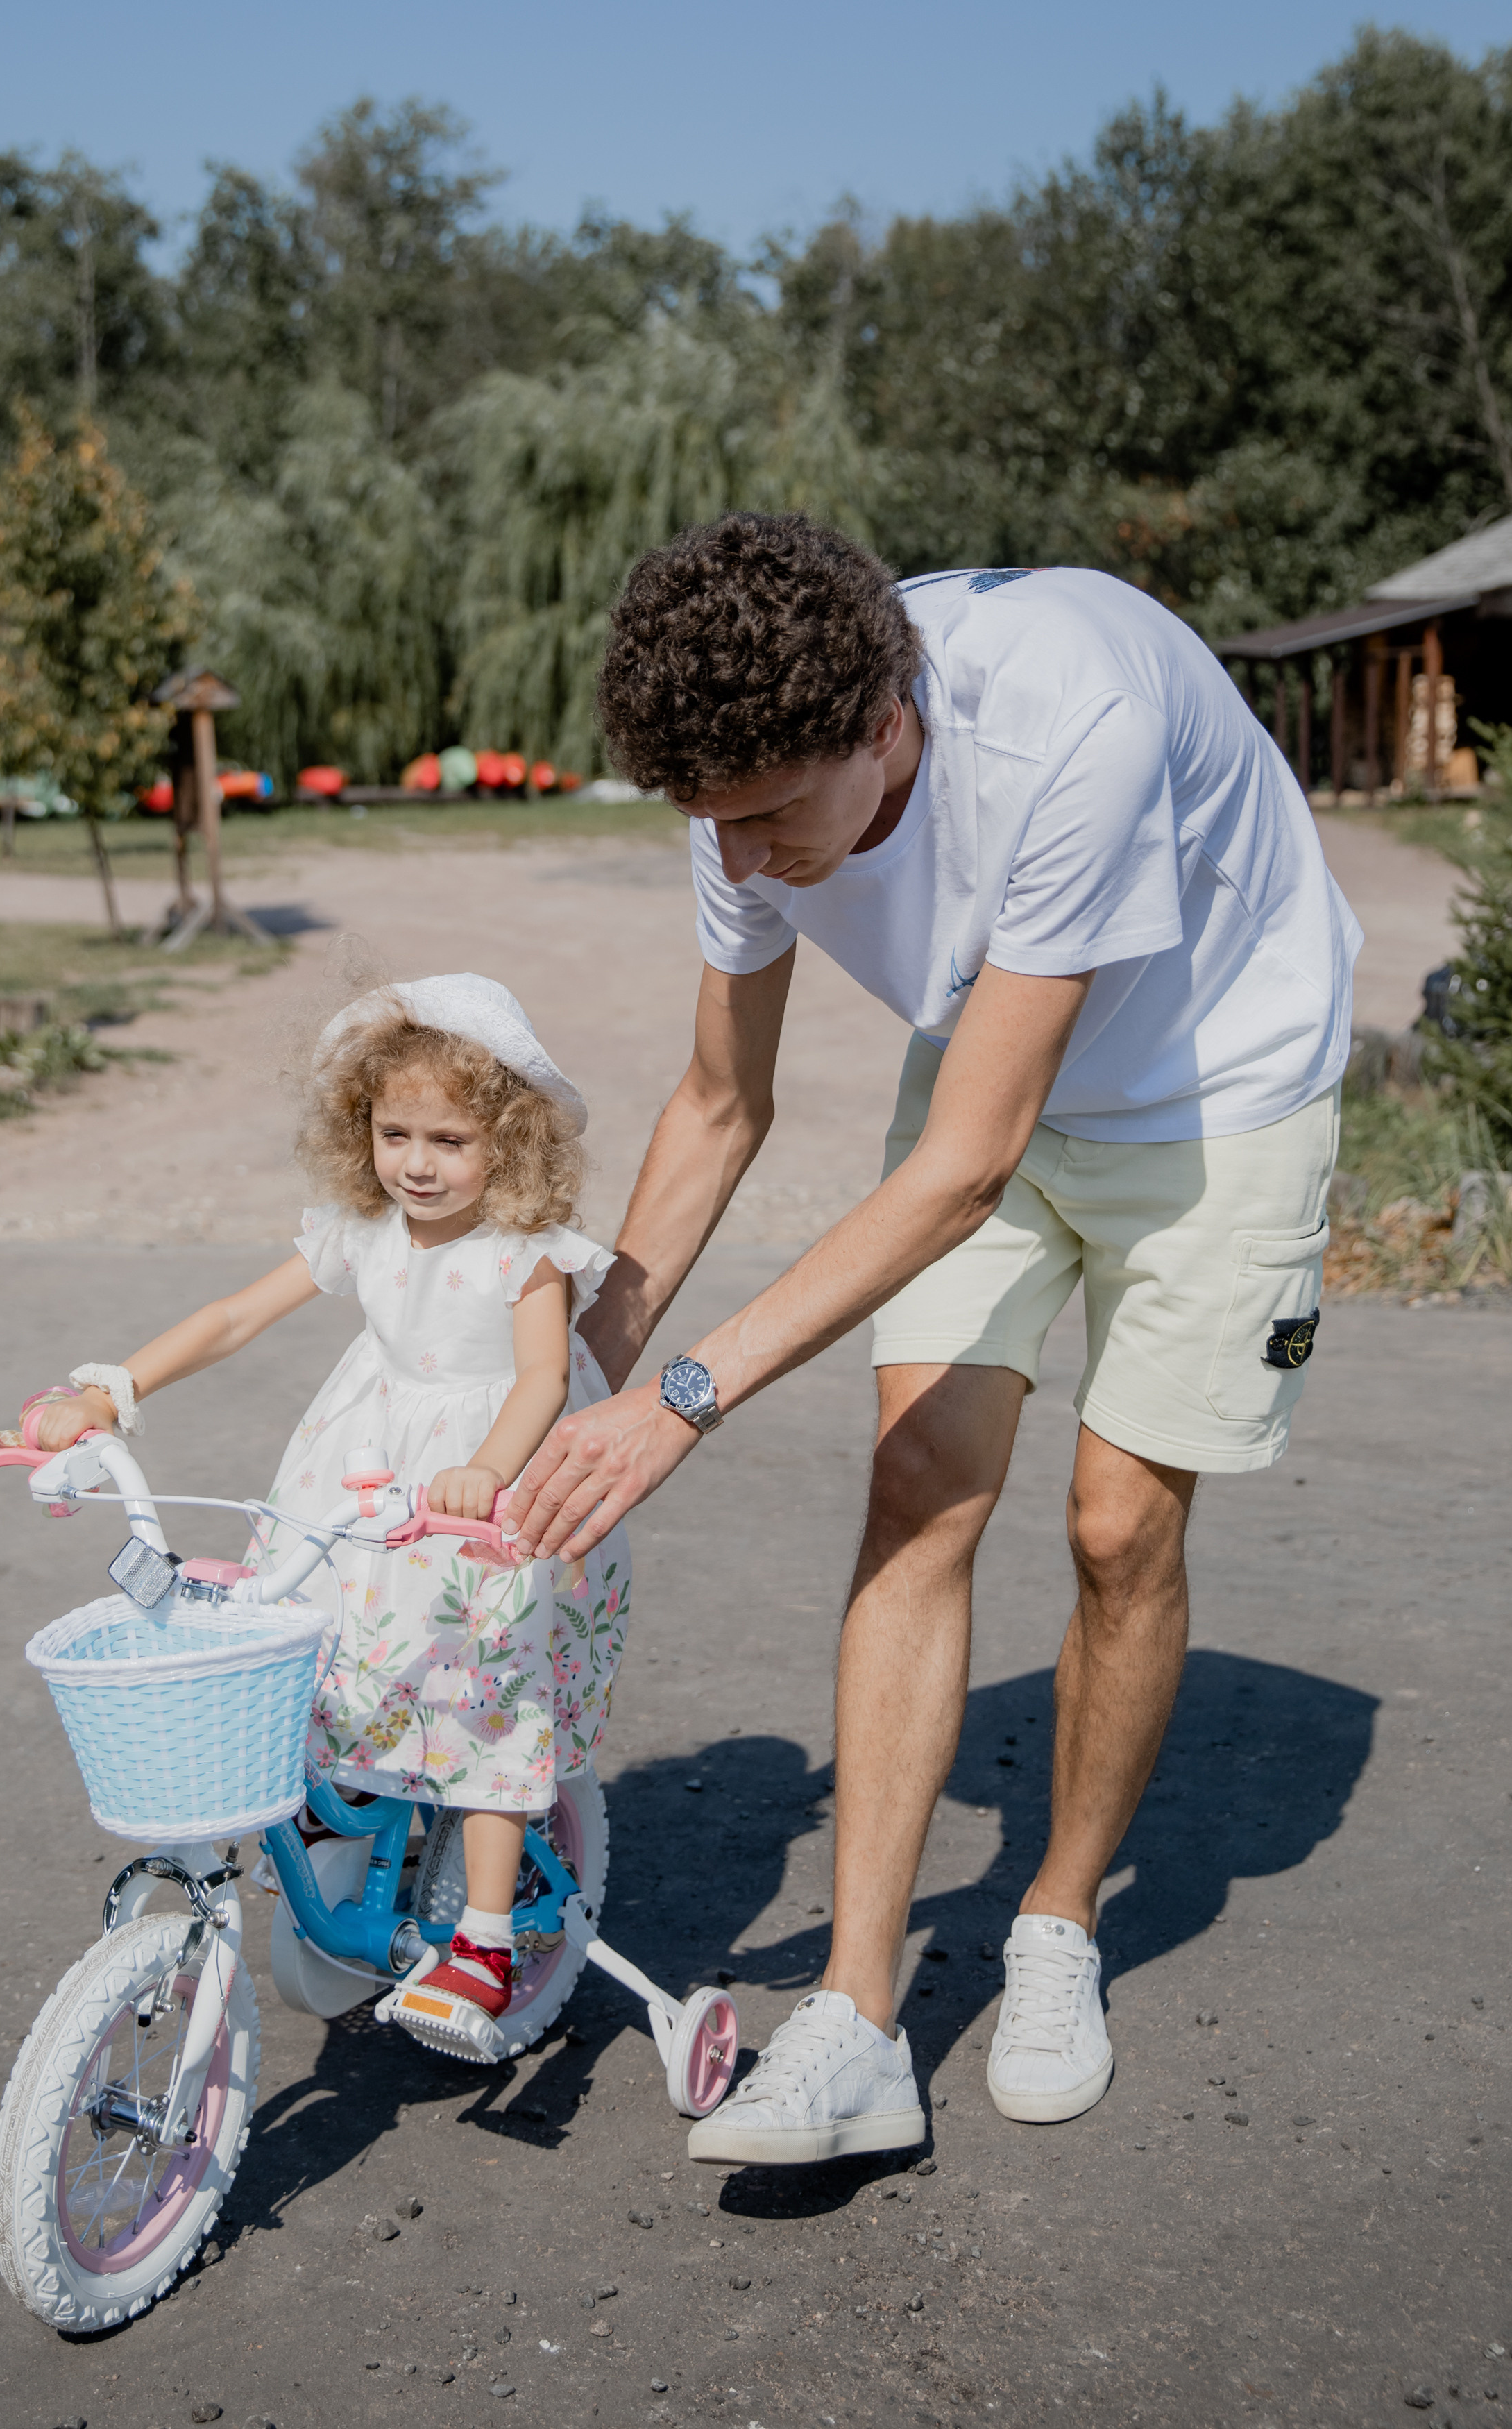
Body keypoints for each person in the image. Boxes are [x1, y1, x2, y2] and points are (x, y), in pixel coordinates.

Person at [506, 513, 1360, 2166]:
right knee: (918, 1485)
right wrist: (584, 1378)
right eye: (709, 823)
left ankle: (1055, 1919)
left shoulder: (1069, 725)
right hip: (998, 1047)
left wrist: (683, 1399)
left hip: (1225, 1091)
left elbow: (965, 1164)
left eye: (765, 820)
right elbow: (720, 1100)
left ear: (887, 727)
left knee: (1119, 1524)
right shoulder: (741, 779)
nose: (739, 863)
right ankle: (857, 2018)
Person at [0, 973, 631, 2063]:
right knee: (318, 1648)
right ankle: (350, 1813)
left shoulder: (527, 1256)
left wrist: (488, 1470)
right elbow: (236, 1313)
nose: (417, 1163)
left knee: (479, 1695)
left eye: (450, 1138)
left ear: (511, 1143)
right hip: (359, 1471)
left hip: (476, 1496)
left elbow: (537, 1382)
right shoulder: (364, 1229)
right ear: (361, 1129)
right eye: (395, 1133)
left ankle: (481, 1933)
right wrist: (111, 1393)